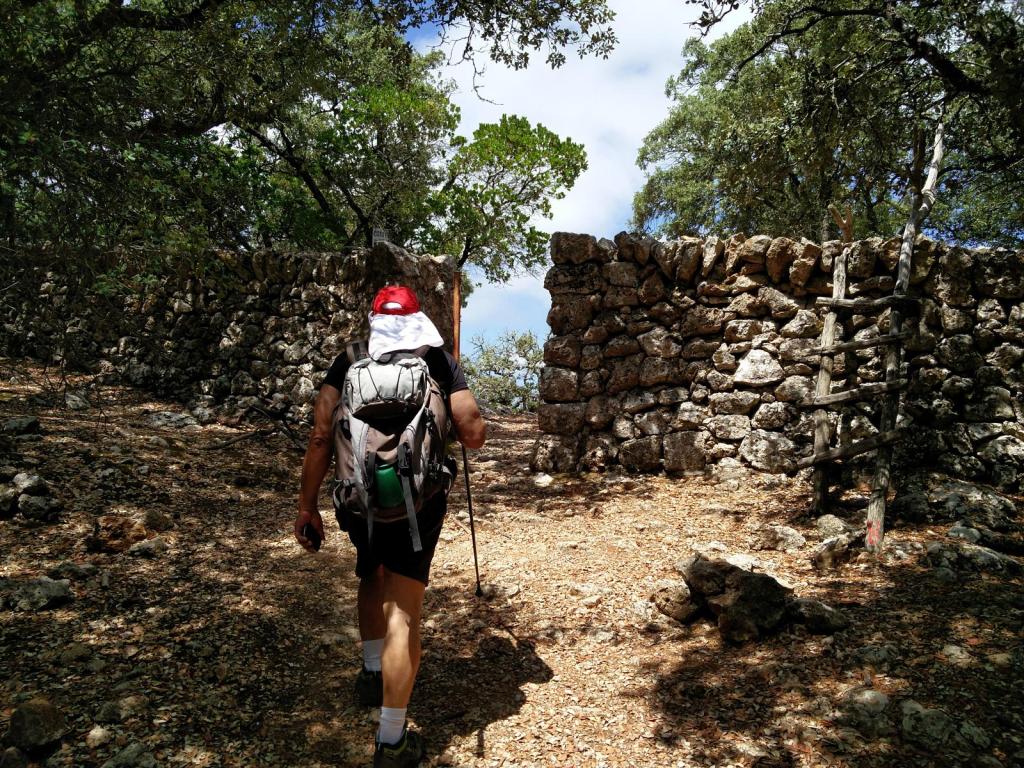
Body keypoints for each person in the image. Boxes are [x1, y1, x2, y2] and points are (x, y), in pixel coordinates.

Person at [294, 285, 486, 768]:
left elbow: (320, 435)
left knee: (370, 572)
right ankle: (392, 741)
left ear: (374, 319)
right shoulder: (436, 359)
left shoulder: (350, 359)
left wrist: (307, 506)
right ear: (417, 317)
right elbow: (474, 433)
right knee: (404, 610)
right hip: (417, 506)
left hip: (358, 501)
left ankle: (371, 671)